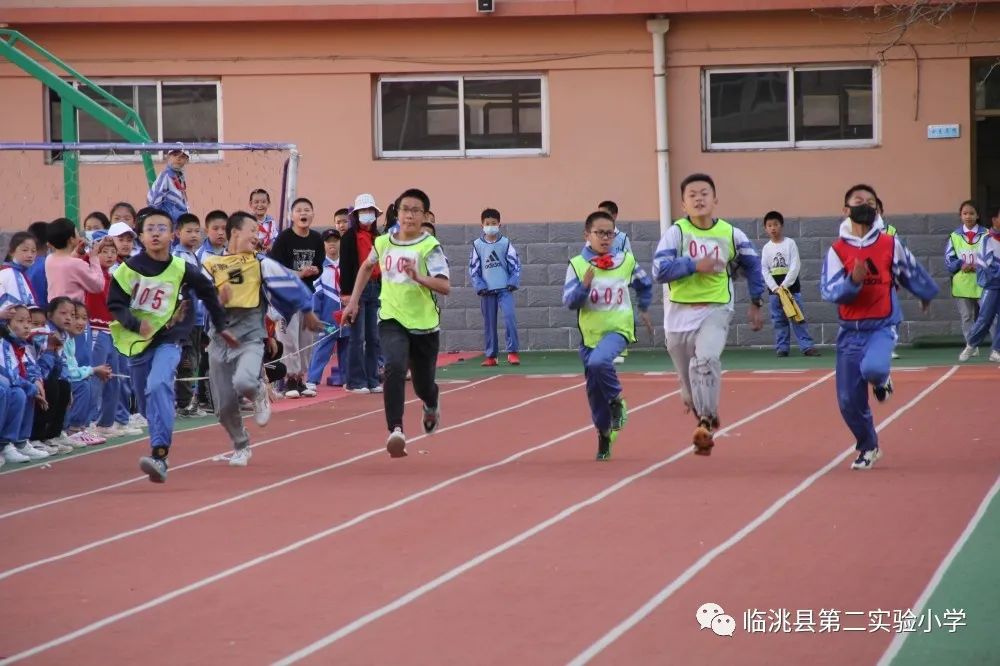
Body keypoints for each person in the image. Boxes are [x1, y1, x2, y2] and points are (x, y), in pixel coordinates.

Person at [108, 207, 234, 483]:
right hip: (138, 341)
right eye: (149, 229)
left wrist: (221, 325)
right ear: (140, 236)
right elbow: (115, 304)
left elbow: (207, 292)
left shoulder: (181, 268)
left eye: (161, 228)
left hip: (170, 338)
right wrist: (134, 323)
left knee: (159, 384)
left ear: (172, 234)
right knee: (145, 402)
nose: (155, 233)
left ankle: (160, 454)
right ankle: (157, 439)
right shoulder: (127, 270)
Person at [821, 184, 938, 470]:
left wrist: (925, 291)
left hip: (881, 325)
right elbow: (830, 290)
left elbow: (909, 269)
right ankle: (868, 446)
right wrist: (853, 281)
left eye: (871, 202)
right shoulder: (837, 250)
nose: (866, 205)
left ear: (877, 209)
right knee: (848, 400)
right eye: (859, 201)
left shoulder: (888, 243)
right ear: (846, 210)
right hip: (849, 331)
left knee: (873, 368)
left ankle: (882, 377)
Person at [652, 173, 765, 456]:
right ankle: (699, 408)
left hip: (716, 308)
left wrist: (755, 301)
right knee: (690, 387)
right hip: (678, 314)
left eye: (704, 193)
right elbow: (659, 271)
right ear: (683, 204)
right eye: (692, 195)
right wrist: (693, 265)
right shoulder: (676, 233)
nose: (699, 198)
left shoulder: (731, 234)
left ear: (715, 199)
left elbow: (752, 266)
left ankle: (706, 421)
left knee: (706, 360)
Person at [202, 211, 322, 466]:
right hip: (219, 339)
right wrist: (212, 302)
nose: (257, 237)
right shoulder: (210, 263)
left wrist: (307, 310)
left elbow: (290, 283)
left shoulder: (261, 263)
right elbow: (197, 294)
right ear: (235, 232)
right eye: (252, 231)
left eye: (259, 232)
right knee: (223, 407)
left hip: (250, 337)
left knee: (245, 379)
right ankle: (241, 446)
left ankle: (258, 391)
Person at [342, 188, 449, 458]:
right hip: (391, 317)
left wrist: (419, 277)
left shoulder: (429, 247)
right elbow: (366, 267)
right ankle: (396, 430)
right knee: (394, 366)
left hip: (424, 323)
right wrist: (353, 302)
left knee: (423, 384)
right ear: (396, 213)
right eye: (405, 209)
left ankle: (431, 401)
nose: (409, 215)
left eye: (415, 210)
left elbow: (444, 286)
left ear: (424, 216)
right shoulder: (383, 242)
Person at [563, 210, 652, 460]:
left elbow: (644, 283)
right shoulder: (577, 266)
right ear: (587, 235)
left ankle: (617, 402)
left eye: (609, 233)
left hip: (618, 329)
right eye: (599, 233)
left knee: (599, 362)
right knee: (594, 392)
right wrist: (584, 287)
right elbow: (569, 302)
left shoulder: (626, 261)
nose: (605, 238)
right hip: (590, 336)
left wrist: (644, 308)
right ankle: (603, 433)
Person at [268, 197, 325, 398]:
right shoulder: (284, 238)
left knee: (306, 337)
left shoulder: (317, 239)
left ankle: (301, 378)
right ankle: (289, 379)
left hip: (307, 294)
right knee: (288, 337)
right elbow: (274, 267)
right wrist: (298, 273)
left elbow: (320, 265)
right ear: (291, 216)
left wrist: (315, 270)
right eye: (299, 210)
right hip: (286, 297)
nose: (303, 213)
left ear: (312, 214)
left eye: (307, 210)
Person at [339, 193, 385, 394]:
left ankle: (372, 378)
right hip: (358, 290)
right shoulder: (349, 237)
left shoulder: (379, 237)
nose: (368, 215)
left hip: (376, 287)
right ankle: (355, 381)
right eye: (364, 211)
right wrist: (349, 295)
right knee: (357, 337)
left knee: (374, 337)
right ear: (356, 215)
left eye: (371, 211)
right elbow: (347, 266)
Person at [759, 210, 820, 358]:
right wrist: (775, 288)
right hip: (775, 293)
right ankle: (782, 348)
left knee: (798, 318)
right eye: (769, 225)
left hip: (792, 289)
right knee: (779, 320)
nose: (773, 228)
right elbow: (764, 270)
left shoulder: (790, 243)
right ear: (765, 228)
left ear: (782, 226)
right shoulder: (766, 248)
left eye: (776, 225)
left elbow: (795, 265)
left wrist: (785, 285)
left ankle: (806, 347)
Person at [469, 207, 521, 367]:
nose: (490, 226)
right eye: (487, 223)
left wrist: (513, 281)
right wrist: (479, 285)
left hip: (505, 289)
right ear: (482, 225)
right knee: (489, 324)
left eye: (493, 223)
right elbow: (473, 269)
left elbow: (515, 265)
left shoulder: (506, 243)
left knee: (510, 318)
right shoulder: (477, 245)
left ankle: (512, 352)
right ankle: (491, 356)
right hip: (487, 291)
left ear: (499, 224)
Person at [306, 229, 351, 390]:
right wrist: (316, 316)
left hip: (346, 315)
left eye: (335, 240)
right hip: (327, 316)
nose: (332, 243)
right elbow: (316, 295)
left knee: (347, 348)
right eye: (328, 241)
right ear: (323, 244)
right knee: (322, 349)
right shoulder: (320, 268)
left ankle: (347, 379)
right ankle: (312, 379)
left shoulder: (348, 264)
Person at [959, 204, 1000, 363]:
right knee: (985, 318)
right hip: (992, 285)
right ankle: (971, 344)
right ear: (995, 220)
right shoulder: (987, 239)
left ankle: (996, 350)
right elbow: (985, 264)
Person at [947, 201, 989, 348]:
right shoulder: (954, 236)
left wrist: (980, 265)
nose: (968, 216)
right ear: (960, 216)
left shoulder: (987, 234)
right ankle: (971, 345)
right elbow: (949, 259)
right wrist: (960, 264)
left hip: (983, 282)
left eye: (971, 213)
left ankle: (996, 346)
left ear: (977, 216)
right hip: (962, 283)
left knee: (991, 315)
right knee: (966, 317)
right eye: (965, 213)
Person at [146, 145, 189, 222]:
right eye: (175, 155)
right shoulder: (165, 175)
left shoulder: (180, 177)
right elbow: (155, 200)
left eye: (182, 156)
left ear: (186, 160)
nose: (178, 158)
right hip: (168, 222)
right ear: (168, 157)